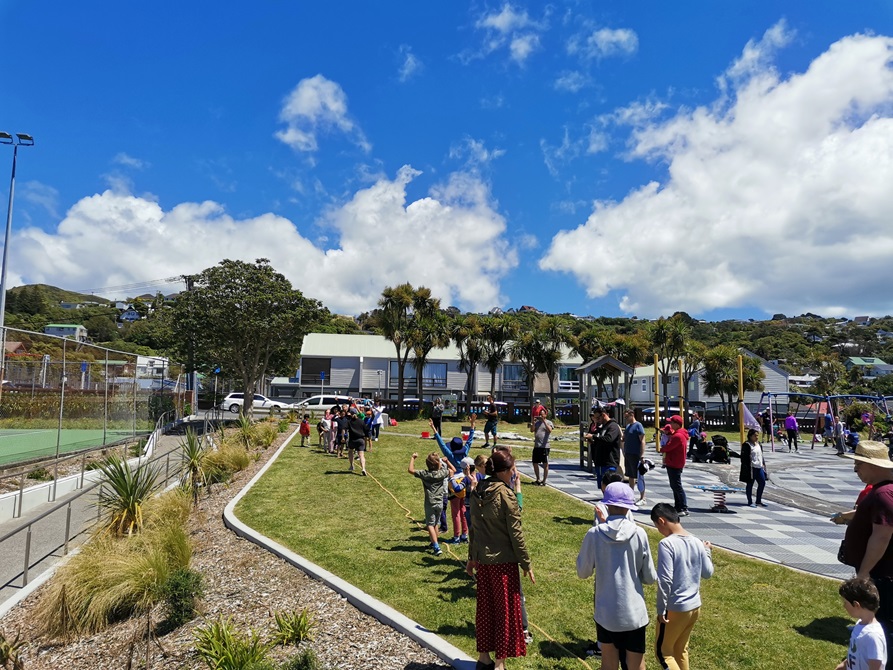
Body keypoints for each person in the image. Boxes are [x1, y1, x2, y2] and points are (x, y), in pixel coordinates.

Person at [577, 482, 657, 670]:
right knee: (636, 665)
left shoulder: (594, 534)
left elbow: (583, 572)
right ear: (629, 507)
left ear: (607, 504)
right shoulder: (640, 533)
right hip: (634, 613)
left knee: (608, 664)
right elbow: (650, 577)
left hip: (606, 612)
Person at [467, 450, 534, 670]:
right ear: (504, 471)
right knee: (505, 612)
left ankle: (484, 657)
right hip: (504, 564)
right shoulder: (506, 495)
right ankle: (500, 663)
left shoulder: (478, 490)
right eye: (512, 468)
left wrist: (471, 558)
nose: (514, 472)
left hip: (484, 563)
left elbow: (474, 528)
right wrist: (526, 563)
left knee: (485, 610)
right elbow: (516, 534)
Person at [841, 441, 893, 668]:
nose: (855, 469)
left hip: (881, 575)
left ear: (873, 465)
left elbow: (881, 536)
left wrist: (863, 572)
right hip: (880, 574)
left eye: (858, 464)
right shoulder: (882, 492)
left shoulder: (884, 494)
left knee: (884, 627)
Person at [650, 503, 714, 670]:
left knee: (663, 653)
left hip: (675, 608)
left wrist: (661, 609)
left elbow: (665, 580)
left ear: (661, 521)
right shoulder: (697, 541)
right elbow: (708, 573)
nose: (658, 531)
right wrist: (707, 551)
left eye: (657, 526)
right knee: (680, 650)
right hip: (694, 607)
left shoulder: (667, 544)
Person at [431, 414, 477, 544]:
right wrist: (472, 425)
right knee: (464, 510)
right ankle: (465, 535)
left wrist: (434, 430)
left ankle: (456, 536)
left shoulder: (449, 454)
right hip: (465, 481)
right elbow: (469, 441)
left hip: (454, 484)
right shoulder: (465, 452)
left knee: (455, 512)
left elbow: (441, 444)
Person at [837, 577, 887, 670]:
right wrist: (843, 666)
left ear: (856, 605)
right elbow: (856, 654)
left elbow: (876, 667)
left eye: (845, 602)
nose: (844, 606)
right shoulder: (860, 624)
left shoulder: (872, 635)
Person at [408, 452, 450, 556]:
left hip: (430, 503)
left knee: (430, 524)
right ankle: (433, 542)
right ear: (438, 464)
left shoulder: (425, 474)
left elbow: (410, 470)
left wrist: (413, 458)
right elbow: (452, 471)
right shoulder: (442, 473)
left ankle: (436, 547)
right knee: (435, 523)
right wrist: (447, 462)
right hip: (440, 502)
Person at [663, 415, 690, 517]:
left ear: (676, 424)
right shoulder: (679, 434)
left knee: (677, 486)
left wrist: (662, 448)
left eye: (671, 422)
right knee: (675, 485)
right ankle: (678, 506)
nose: (670, 424)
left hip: (675, 463)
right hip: (675, 462)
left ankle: (683, 507)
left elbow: (668, 447)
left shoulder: (677, 436)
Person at [590, 406, 622, 487]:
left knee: (609, 485)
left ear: (604, 415)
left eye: (598, 417)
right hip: (600, 461)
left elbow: (609, 439)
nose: (597, 420)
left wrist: (593, 437)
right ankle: (605, 498)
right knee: (602, 485)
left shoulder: (613, 426)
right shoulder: (602, 427)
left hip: (609, 462)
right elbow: (600, 439)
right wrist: (593, 441)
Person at [742, 428, 768, 507]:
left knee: (762, 482)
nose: (757, 437)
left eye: (757, 436)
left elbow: (761, 455)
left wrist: (763, 464)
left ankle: (758, 500)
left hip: (759, 467)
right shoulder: (747, 445)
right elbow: (744, 458)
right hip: (751, 467)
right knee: (750, 484)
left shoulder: (759, 444)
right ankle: (750, 501)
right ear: (750, 436)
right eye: (755, 436)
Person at [623, 410, 646, 490]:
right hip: (628, 453)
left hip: (635, 453)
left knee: (638, 475)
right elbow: (624, 438)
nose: (626, 419)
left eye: (627, 417)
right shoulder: (628, 426)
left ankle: (642, 496)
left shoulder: (638, 426)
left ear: (632, 415)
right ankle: (631, 491)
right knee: (630, 475)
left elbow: (642, 441)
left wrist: (642, 455)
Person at [532, 407, 554, 486]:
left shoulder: (549, 422)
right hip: (537, 446)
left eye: (542, 414)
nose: (540, 416)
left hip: (545, 446)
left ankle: (544, 480)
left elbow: (550, 430)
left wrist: (544, 421)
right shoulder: (537, 423)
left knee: (545, 464)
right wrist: (534, 422)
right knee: (535, 463)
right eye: (539, 414)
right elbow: (532, 430)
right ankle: (538, 478)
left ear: (545, 415)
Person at [346, 408, 367, 476]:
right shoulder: (361, 421)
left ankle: (352, 465)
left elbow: (344, 428)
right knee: (361, 455)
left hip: (352, 440)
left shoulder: (349, 422)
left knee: (350, 451)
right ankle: (363, 468)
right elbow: (366, 429)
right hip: (360, 440)